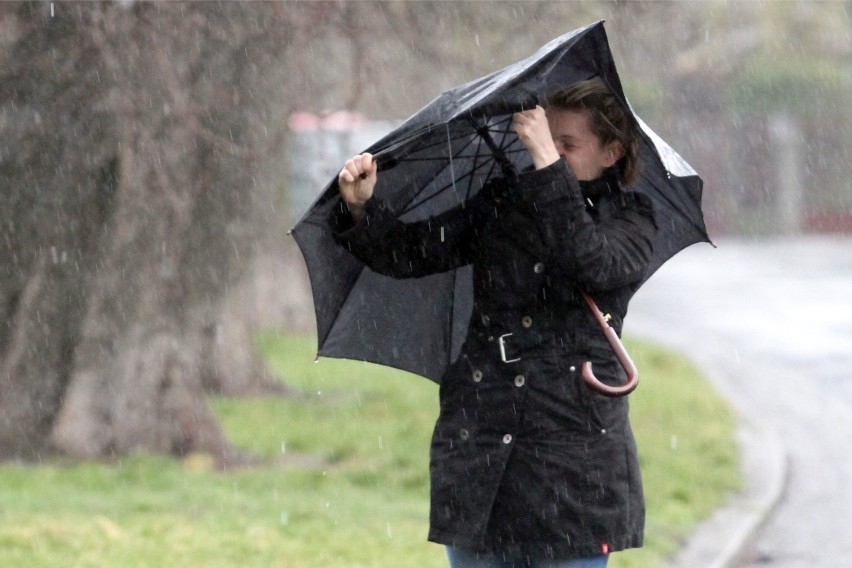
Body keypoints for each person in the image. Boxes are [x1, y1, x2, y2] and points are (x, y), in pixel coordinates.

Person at [330, 78, 657, 568]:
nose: (550, 151)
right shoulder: (507, 200)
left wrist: (547, 164)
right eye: (549, 139)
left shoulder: (631, 219)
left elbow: (591, 262)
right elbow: (415, 252)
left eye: (568, 144)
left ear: (611, 152)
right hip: (482, 445)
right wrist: (363, 208)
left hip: (572, 463)